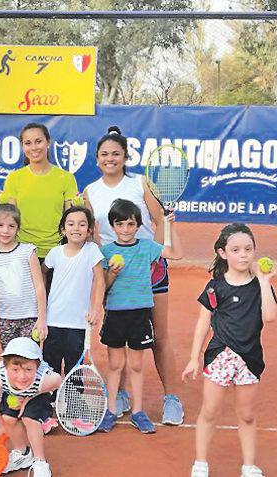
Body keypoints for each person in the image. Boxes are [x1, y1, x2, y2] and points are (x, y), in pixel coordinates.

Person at [83, 125, 185, 425]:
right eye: (104, 154)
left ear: (125, 156)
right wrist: (104, 268)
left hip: (148, 266)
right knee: (122, 330)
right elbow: (93, 234)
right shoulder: (90, 191)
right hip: (114, 270)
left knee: (159, 336)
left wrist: (159, 250)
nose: (110, 158)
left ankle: (171, 399)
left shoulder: (140, 183)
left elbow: (157, 220)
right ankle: (124, 394)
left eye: (116, 153)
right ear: (97, 158)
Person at [182, 224, 277, 477]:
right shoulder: (216, 287)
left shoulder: (259, 286)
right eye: (236, 250)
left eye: (248, 249)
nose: (243, 254)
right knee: (210, 411)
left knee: (246, 415)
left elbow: (270, 316)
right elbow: (203, 323)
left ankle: (249, 465)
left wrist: (265, 282)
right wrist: (194, 358)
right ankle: (200, 463)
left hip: (250, 359)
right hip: (220, 356)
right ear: (223, 253)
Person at [97, 199, 183, 434]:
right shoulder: (106, 252)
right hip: (115, 313)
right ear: (112, 226)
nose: (125, 229)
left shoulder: (147, 247)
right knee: (115, 364)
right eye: (120, 224)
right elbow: (102, 287)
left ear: (138, 225)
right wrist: (112, 274)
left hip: (139, 314)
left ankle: (137, 412)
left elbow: (176, 253)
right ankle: (111, 410)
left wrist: (169, 226)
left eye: (130, 224)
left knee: (135, 365)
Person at [0, 123, 79, 285]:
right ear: (23, 146)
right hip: (23, 253)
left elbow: (70, 218)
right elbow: (11, 217)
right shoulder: (14, 178)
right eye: (28, 143)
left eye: (38, 141)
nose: (34, 148)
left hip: (56, 253)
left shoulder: (66, 178)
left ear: (48, 142)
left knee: (52, 306)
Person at [0, 337, 62, 477]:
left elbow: (58, 381)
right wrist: (0, 423)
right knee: (8, 419)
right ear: (6, 366)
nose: (22, 376)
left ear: (37, 367)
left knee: (29, 418)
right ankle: (23, 454)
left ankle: (40, 462)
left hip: (38, 392)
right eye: (15, 369)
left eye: (28, 369)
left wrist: (27, 399)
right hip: (14, 393)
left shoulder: (45, 380)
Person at [42, 206, 105, 377]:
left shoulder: (92, 250)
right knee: (50, 370)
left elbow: (100, 280)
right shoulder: (55, 253)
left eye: (82, 224)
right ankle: (50, 401)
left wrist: (96, 309)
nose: (76, 228)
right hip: (53, 322)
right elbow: (42, 273)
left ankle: (73, 402)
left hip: (78, 324)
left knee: (74, 373)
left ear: (89, 230)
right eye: (71, 224)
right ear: (63, 229)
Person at [0, 203, 47, 351]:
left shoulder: (28, 251)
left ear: (18, 229)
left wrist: (42, 318)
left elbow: (39, 286)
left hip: (31, 317)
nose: (5, 230)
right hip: (5, 318)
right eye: (1, 225)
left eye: (11, 226)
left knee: (29, 359)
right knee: (11, 360)